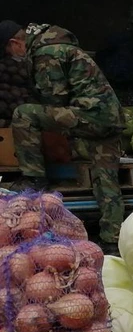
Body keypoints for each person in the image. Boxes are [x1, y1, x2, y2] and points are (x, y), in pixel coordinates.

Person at [0, 21, 125, 250]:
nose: (12, 57)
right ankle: (112, 239)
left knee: (24, 114)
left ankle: (34, 177)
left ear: (15, 43)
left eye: (9, 52)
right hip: (108, 118)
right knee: (106, 179)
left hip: (89, 115)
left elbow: (54, 100)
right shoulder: (55, 43)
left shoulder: (46, 52)